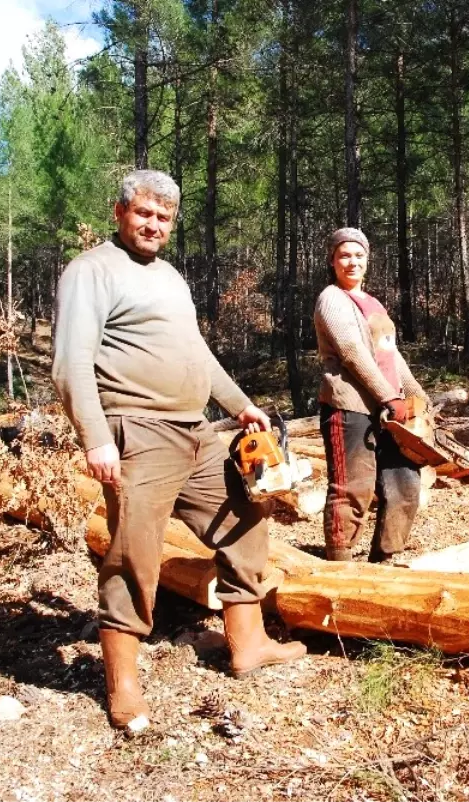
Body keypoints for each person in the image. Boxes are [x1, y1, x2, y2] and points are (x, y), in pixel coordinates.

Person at [52, 169, 305, 731]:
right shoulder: (91, 271)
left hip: (197, 431)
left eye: (164, 217)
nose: (154, 225)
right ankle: (122, 685)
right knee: (132, 554)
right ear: (119, 212)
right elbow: (70, 364)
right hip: (136, 431)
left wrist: (240, 404)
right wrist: (96, 438)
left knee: (245, 517)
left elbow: (197, 352)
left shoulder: (170, 277)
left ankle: (249, 643)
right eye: (144, 213)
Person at [313, 227, 431, 563]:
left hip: (390, 411)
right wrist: (388, 397)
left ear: (368, 259)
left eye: (358, 255)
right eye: (344, 256)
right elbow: (351, 351)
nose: (352, 262)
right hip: (351, 405)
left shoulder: (373, 302)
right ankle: (340, 561)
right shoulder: (332, 298)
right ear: (332, 261)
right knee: (353, 486)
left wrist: (416, 396)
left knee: (405, 483)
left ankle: (386, 557)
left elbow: (391, 355)